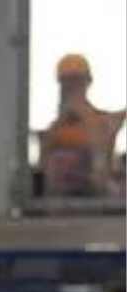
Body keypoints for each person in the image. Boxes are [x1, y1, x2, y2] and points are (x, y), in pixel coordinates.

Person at [38, 54, 125, 197]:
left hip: (96, 196)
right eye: (66, 81)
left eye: (76, 80)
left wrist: (85, 115)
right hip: (59, 201)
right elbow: (43, 167)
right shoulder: (54, 130)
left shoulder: (104, 122)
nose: (71, 87)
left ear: (87, 82)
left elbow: (104, 161)